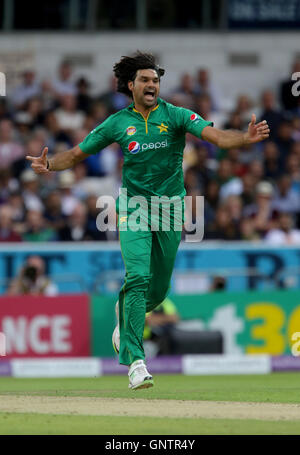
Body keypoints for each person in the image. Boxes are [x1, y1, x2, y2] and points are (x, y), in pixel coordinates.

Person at [26, 51, 270, 390]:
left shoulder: (177, 115)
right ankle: (136, 362)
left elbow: (215, 137)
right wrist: (49, 165)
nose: (152, 84)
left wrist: (244, 138)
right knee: (138, 276)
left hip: (171, 209)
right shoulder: (117, 123)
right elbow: (78, 153)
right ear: (131, 85)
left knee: (158, 289)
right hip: (133, 208)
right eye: (145, 80)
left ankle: (124, 319)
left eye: (155, 80)